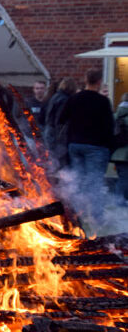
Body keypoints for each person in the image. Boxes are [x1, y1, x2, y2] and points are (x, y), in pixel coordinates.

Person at [59, 69, 114, 224]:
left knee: (76, 180)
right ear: (99, 82)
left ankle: (76, 215)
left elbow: (61, 119)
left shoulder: (74, 99)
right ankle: (97, 217)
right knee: (95, 181)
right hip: (96, 147)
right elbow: (109, 127)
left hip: (75, 145)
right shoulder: (103, 102)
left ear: (85, 79)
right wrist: (109, 146)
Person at [42, 77, 77, 171]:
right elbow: (60, 121)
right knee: (60, 163)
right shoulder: (64, 100)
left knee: (52, 161)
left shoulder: (54, 97)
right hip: (57, 135)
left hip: (49, 131)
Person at [111, 93, 128, 203]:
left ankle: (119, 201)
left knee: (122, 177)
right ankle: (119, 202)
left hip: (117, 153)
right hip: (125, 154)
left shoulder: (115, 115)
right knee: (124, 179)